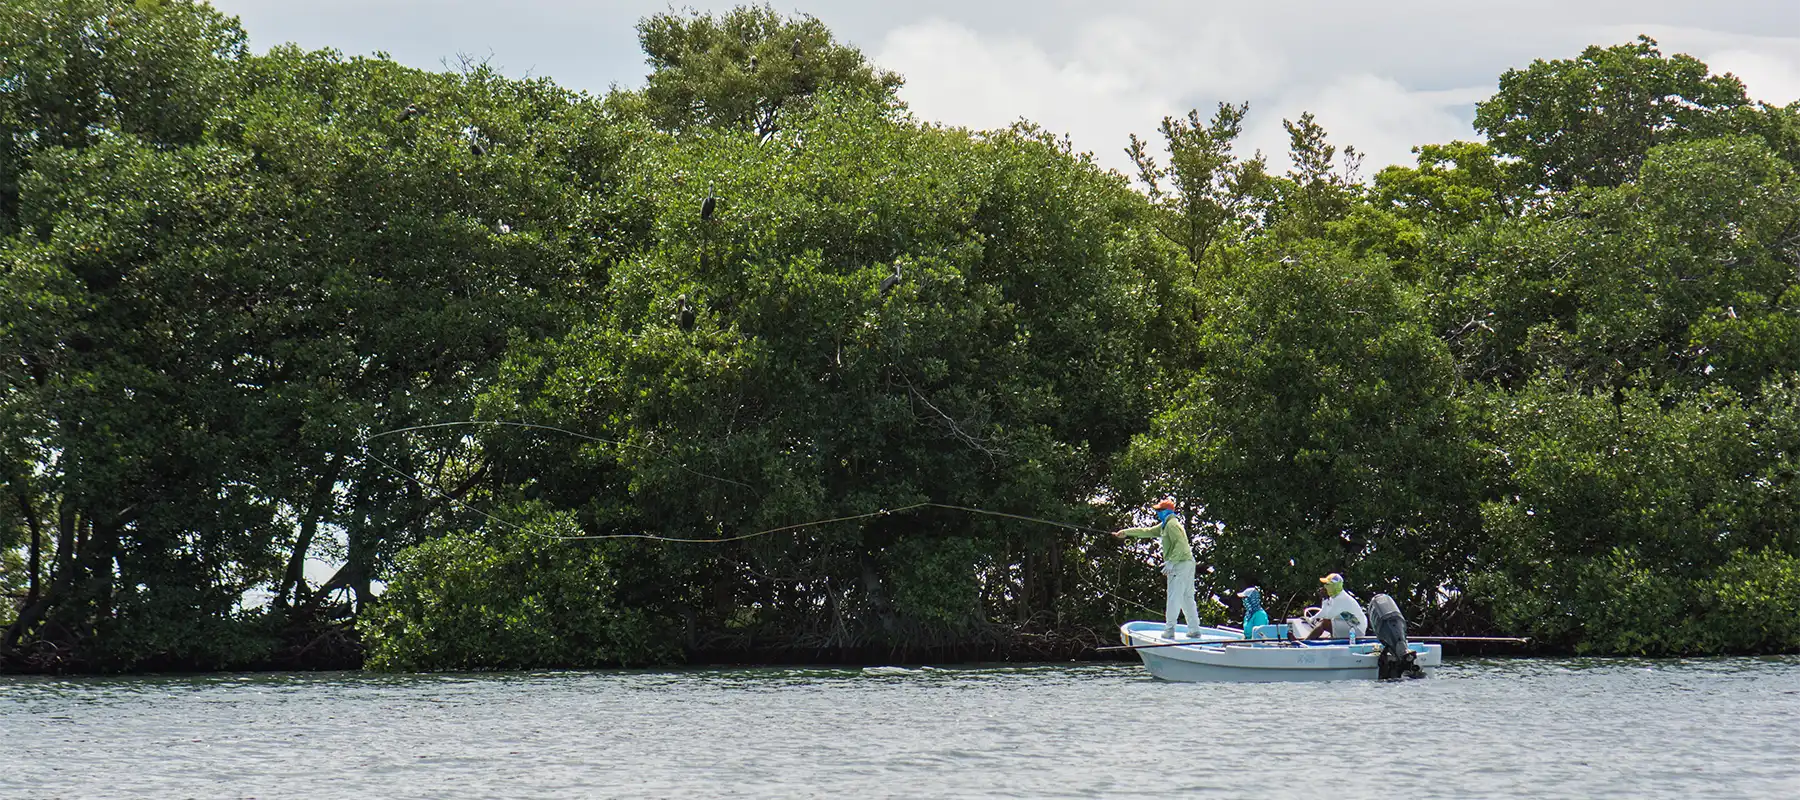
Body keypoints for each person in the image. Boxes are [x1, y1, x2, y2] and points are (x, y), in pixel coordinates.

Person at [1113, 498, 1202, 639]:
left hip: (1180, 564)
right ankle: (1194, 629)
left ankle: (1169, 630)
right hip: (1187, 563)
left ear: (1168, 511)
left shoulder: (1172, 525)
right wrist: (1126, 532)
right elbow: (1147, 531)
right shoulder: (1165, 525)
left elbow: (1180, 544)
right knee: (1186, 597)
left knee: (1174, 597)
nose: (1158, 512)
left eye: (1160, 510)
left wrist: (1172, 562)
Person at [1304, 573, 1368, 640]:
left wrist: (1325, 598)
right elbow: (1324, 612)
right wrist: (1312, 618)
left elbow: (1327, 616)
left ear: (1333, 586)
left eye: (1327, 584)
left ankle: (1306, 642)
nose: (1325, 586)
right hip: (1353, 624)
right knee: (1329, 621)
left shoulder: (1341, 599)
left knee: (1324, 623)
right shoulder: (1336, 597)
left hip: (1357, 629)